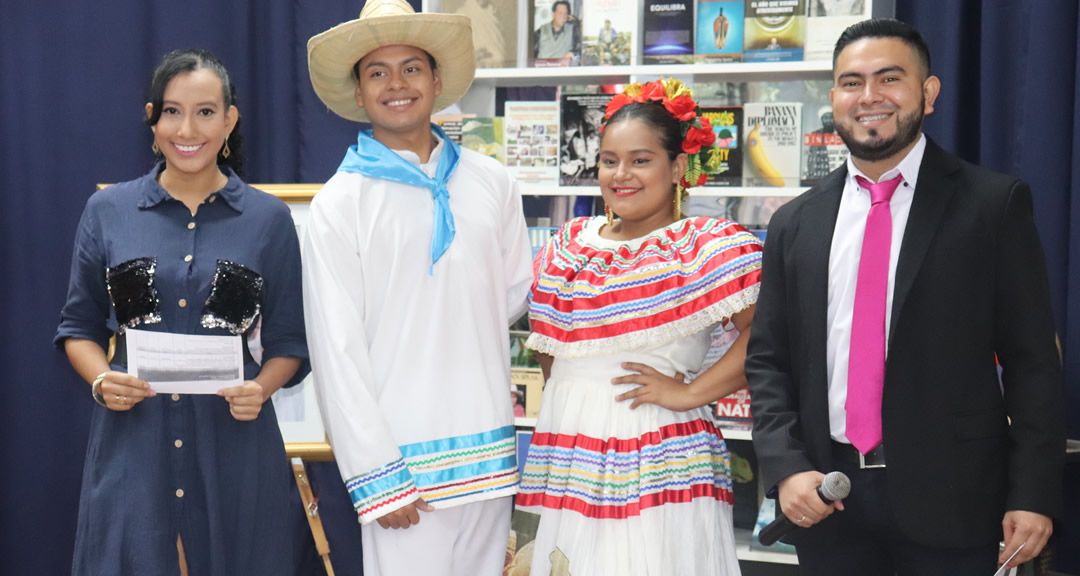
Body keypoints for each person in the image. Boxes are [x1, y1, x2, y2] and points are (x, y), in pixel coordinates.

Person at [745, 18, 1065, 575]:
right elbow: (769, 360)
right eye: (851, 82)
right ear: (835, 98)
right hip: (826, 501)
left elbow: (1033, 362)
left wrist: (1033, 492)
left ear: (928, 93)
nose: (869, 97)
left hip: (955, 502)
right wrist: (785, 466)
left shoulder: (993, 206)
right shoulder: (794, 222)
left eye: (889, 78)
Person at [54, 48, 309, 575]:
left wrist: (261, 389)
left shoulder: (268, 219)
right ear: (152, 118)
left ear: (229, 120)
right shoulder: (108, 211)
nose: (186, 128)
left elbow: (289, 344)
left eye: (205, 111)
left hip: (233, 448)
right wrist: (103, 380)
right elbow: (77, 328)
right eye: (171, 111)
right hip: (132, 445)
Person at [303, 1, 533, 574]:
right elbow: (336, 350)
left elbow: (510, 297)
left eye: (411, 68)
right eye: (377, 72)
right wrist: (377, 476)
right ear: (358, 92)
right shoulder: (340, 201)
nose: (396, 84)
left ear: (436, 80)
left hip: (487, 452)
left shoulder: (493, 181)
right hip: (404, 468)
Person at [518, 78, 763, 575]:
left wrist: (690, 393)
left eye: (640, 160)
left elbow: (767, 336)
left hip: (659, 459)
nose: (620, 174)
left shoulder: (708, 243)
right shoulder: (565, 246)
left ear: (676, 166)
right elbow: (551, 354)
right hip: (572, 457)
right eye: (609, 160)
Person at [534, 0, 580, 65]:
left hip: (563, 72)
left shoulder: (573, 30)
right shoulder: (541, 31)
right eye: (560, 13)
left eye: (565, 13)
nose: (563, 16)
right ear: (553, 14)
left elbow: (580, 52)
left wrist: (571, 53)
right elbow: (530, 53)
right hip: (542, 72)